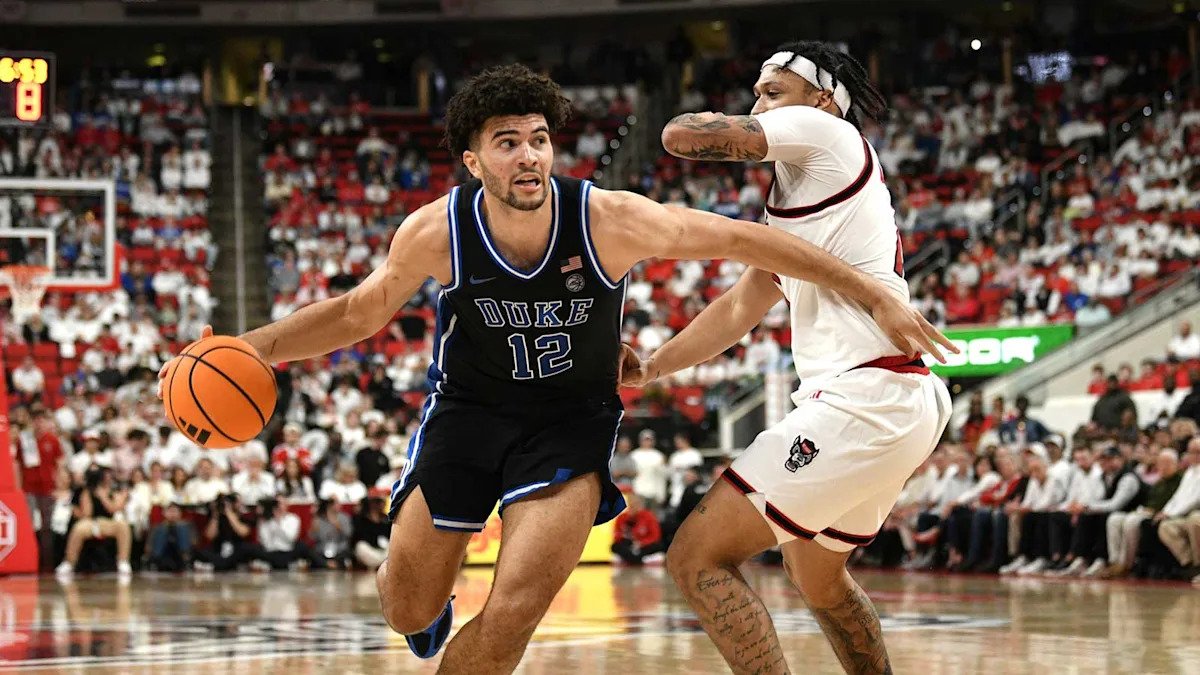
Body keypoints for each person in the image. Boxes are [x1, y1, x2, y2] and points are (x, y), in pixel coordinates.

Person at [159, 63, 949, 670]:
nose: (530, 156)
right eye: (508, 142)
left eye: (539, 138)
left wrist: (873, 293)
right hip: (468, 417)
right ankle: (426, 613)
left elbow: (748, 242)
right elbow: (358, 313)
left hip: (569, 427)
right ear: (474, 160)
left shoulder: (606, 218)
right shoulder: (437, 232)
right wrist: (256, 345)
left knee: (515, 608)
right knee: (405, 606)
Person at [624, 41, 956, 674]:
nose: (758, 104)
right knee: (819, 576)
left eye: (771, 92)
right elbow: (737, 308)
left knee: (696, 555)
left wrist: (747, 122)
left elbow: (680, 136)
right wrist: (653, 367)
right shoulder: (805, 201)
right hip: (895, 398)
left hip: (865, 397)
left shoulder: (824, 132)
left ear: (824, 100)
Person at [55, 468, 134, 578]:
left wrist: (103, 496)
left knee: (123, 526)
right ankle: (69, 563)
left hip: (108, 522)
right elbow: (87, 513)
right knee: (79, 528)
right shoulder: (87, 490)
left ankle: (123, 562)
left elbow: (114, 508)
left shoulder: (115, 490)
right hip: (91, 522)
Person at [611, 493, 664, 565]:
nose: (633, 506)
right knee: (615, 546)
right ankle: (636, 558)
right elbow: (616, 535)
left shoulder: (648, 516)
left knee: (658, 545)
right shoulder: (622, 518)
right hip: (629, 544)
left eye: (635, 504)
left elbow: (655, 535)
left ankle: (634, 558)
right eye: (631, 504)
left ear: (640, 504)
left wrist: (641, 542)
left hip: (643, 545)